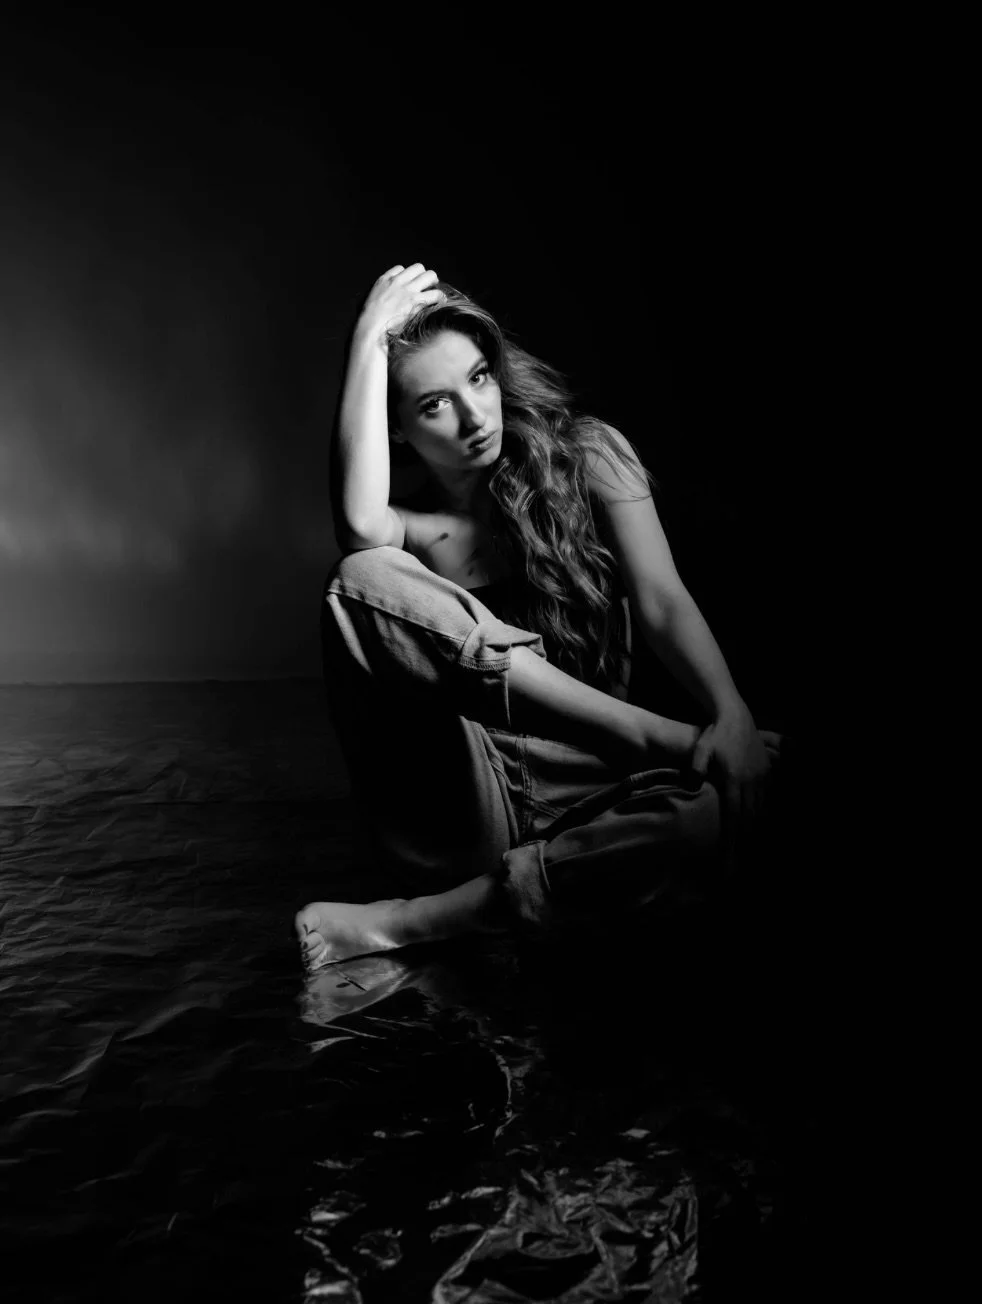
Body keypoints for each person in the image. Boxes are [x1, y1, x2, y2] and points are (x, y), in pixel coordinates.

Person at [297, 263, 780, 972]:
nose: (473, 417)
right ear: (395, 429)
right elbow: (359, 524)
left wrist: (730, 714)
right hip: (472, 801)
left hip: (597, 789)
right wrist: (368, 339)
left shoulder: (591, 454)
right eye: (434, 404)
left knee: (761, 793)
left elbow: (662, 600)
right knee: (361, 577)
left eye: (479, 378)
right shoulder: (412, 531)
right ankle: (627, 784)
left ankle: (431, 920)